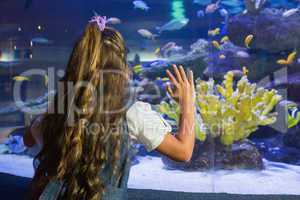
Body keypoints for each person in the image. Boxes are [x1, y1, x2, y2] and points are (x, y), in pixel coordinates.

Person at [23, 15, 195, 200]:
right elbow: (183, 152)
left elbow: (28, 140)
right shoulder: (131, 113)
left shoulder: (57, 112)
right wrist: (187, 104)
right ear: (121, 68)